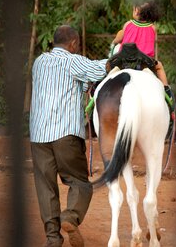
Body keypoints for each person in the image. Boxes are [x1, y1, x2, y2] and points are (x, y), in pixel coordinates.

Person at [29, 25, 107, 247]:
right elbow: (100, 68)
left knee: (46, 188)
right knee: (80, 183)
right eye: (78, 45)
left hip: (38, 135)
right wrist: (118, 58)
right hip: (66, 134)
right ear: (73, 44)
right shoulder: (73, 61)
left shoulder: (39, 63)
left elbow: (72, 86)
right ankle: (70, 217)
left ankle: (53, 239)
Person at [111, 0, 174, 105]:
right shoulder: (153, 28)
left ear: (136, 11)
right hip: (144, 62)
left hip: (124, 60)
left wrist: (115, 42)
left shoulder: (128, 25)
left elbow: (119, 39)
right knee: (160, 66)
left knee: (110, 68)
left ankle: (97, 86)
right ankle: (167, 90)